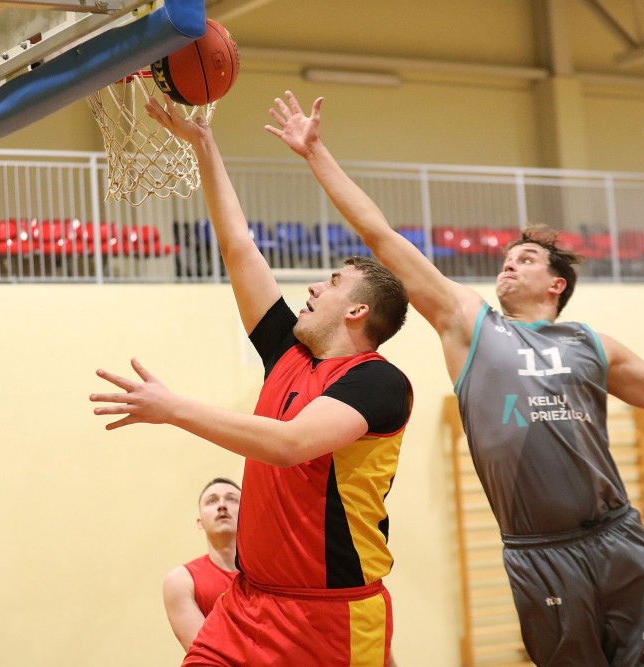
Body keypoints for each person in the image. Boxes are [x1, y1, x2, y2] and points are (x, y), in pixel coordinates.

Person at [267, 90, 644, 667]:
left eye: (527, 258)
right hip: (540, 551)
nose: (510, 261)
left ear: (557, 284)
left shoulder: (593, 345)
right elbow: (382, 236)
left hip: (617, 535)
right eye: (507, 257)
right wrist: (315, 153)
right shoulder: (471, 326)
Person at [90, 95, 413, 667]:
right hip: (249, 602)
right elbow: (239, 248)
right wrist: (204, 145)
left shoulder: (379, 383)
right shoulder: (289, 353)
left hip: (330, 615)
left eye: (332, 282)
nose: (314, 288)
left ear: (357, 311)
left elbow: (290, 445)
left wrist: (173, 408)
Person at [163, 477, 241, 652]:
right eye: (212, 501)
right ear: (200, 522)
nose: (222, 505)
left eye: (232, 499)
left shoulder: (271, 573)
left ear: (248, 515)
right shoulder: (181, 580)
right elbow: (206, 654)